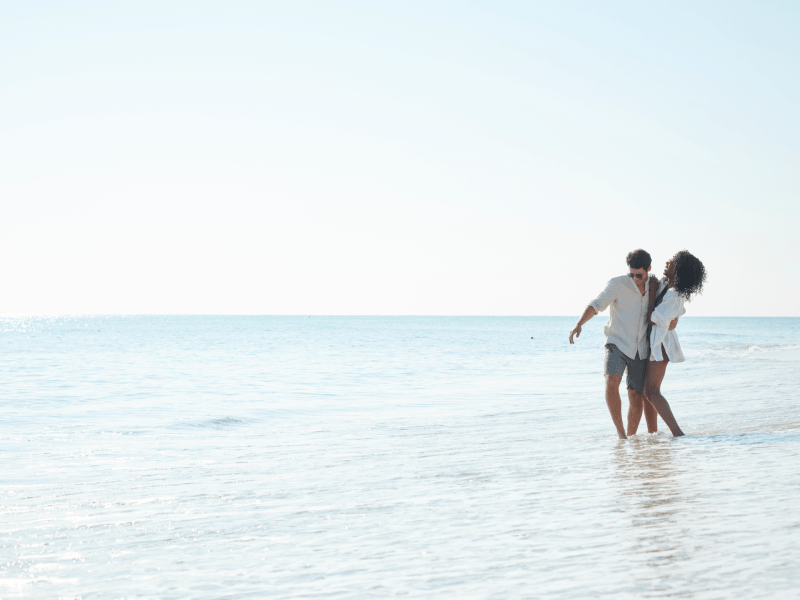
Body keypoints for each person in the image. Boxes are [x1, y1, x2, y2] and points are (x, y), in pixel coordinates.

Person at [568, 249, 678, 440]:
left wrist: (675, 319)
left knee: (636, 396)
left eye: (639, 275)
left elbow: (672, 304)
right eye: (632, 274)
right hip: (616, 343)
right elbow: (596, 304)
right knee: (611, 381)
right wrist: (579, 324)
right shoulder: (618, 284)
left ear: (649, 268)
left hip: (641, 349)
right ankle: (621, 436)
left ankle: (631, 438)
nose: (635, 278)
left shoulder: (655, 286)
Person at [638, 250, 707, 438]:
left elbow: (654, 318)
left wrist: (652, 293)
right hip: (656, 343)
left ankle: (678, 433)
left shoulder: (675, 294)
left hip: (662, 345)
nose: (668, 261)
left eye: (674, 262)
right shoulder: (666, 287)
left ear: (680, 270)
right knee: (647, 392)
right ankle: (652, 433)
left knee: (652, 391)